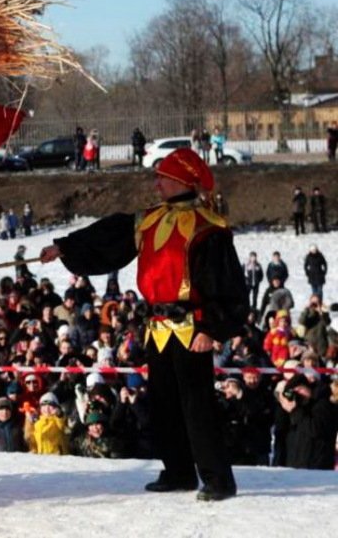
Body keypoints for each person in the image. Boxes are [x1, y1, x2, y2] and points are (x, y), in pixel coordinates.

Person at [40, 148, 245, 501]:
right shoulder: (148, 220)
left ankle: (217, 479)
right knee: (164, 403)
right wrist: (64, 247)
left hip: (191, 327)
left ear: (180, 180)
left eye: (162, 177)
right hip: (158, 327)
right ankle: (178, 471)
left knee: (197, 406)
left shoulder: (209, 228)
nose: (157, 183)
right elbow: (108, 236)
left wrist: (212, 329)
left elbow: (224, 283)